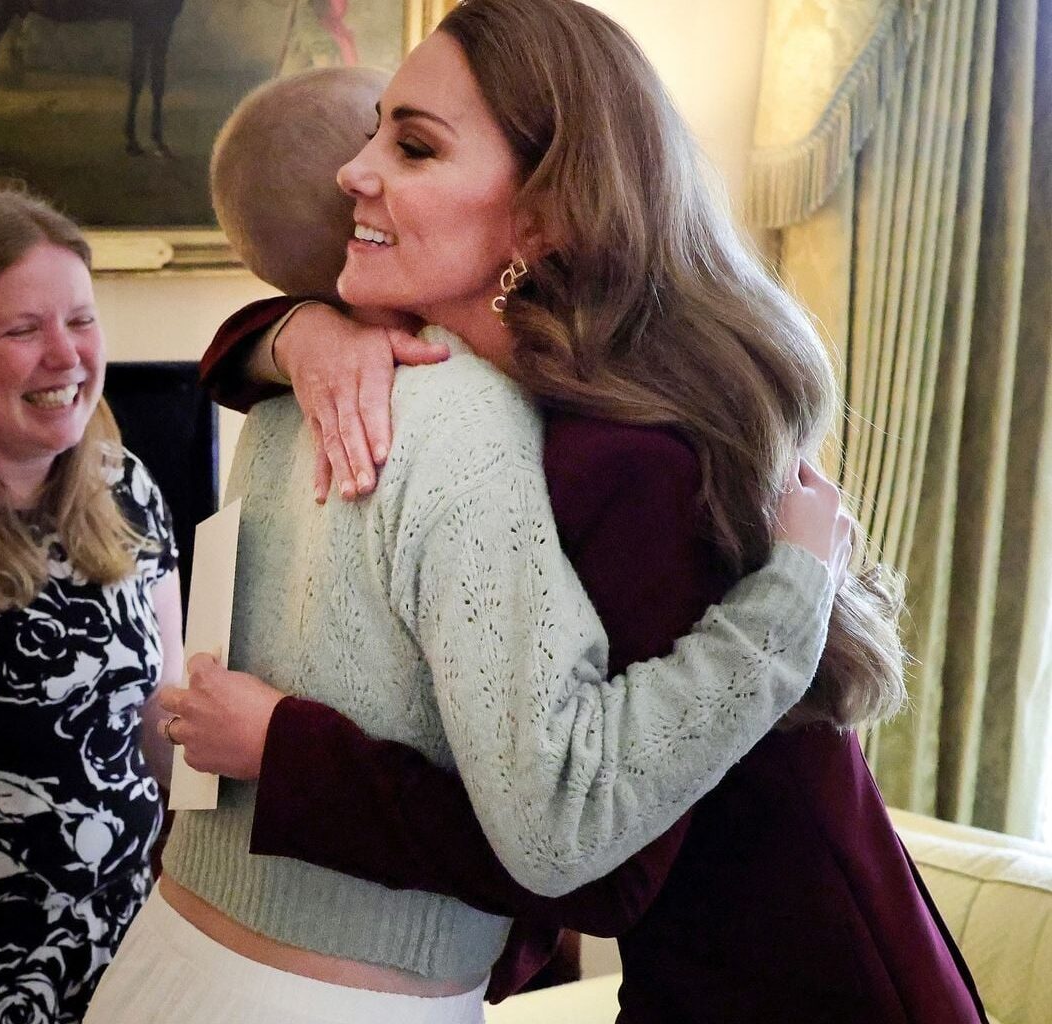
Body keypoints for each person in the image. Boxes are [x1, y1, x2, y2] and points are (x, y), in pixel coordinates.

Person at [175, 2, 989, 1022]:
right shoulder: (508, 403)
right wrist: (294, 331)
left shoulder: (629, 459)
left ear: (543, 215)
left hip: (813, 991)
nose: (355, 168)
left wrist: (284, 752)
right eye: (373, 128)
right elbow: (223, 360)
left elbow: (595, 866)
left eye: (413, 143)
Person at [0, 186, 182, 1024]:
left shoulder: (126, 487)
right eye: (24, 330)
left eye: (81, 321)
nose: (66, 356)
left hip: (124, 943)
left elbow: (163, 709)